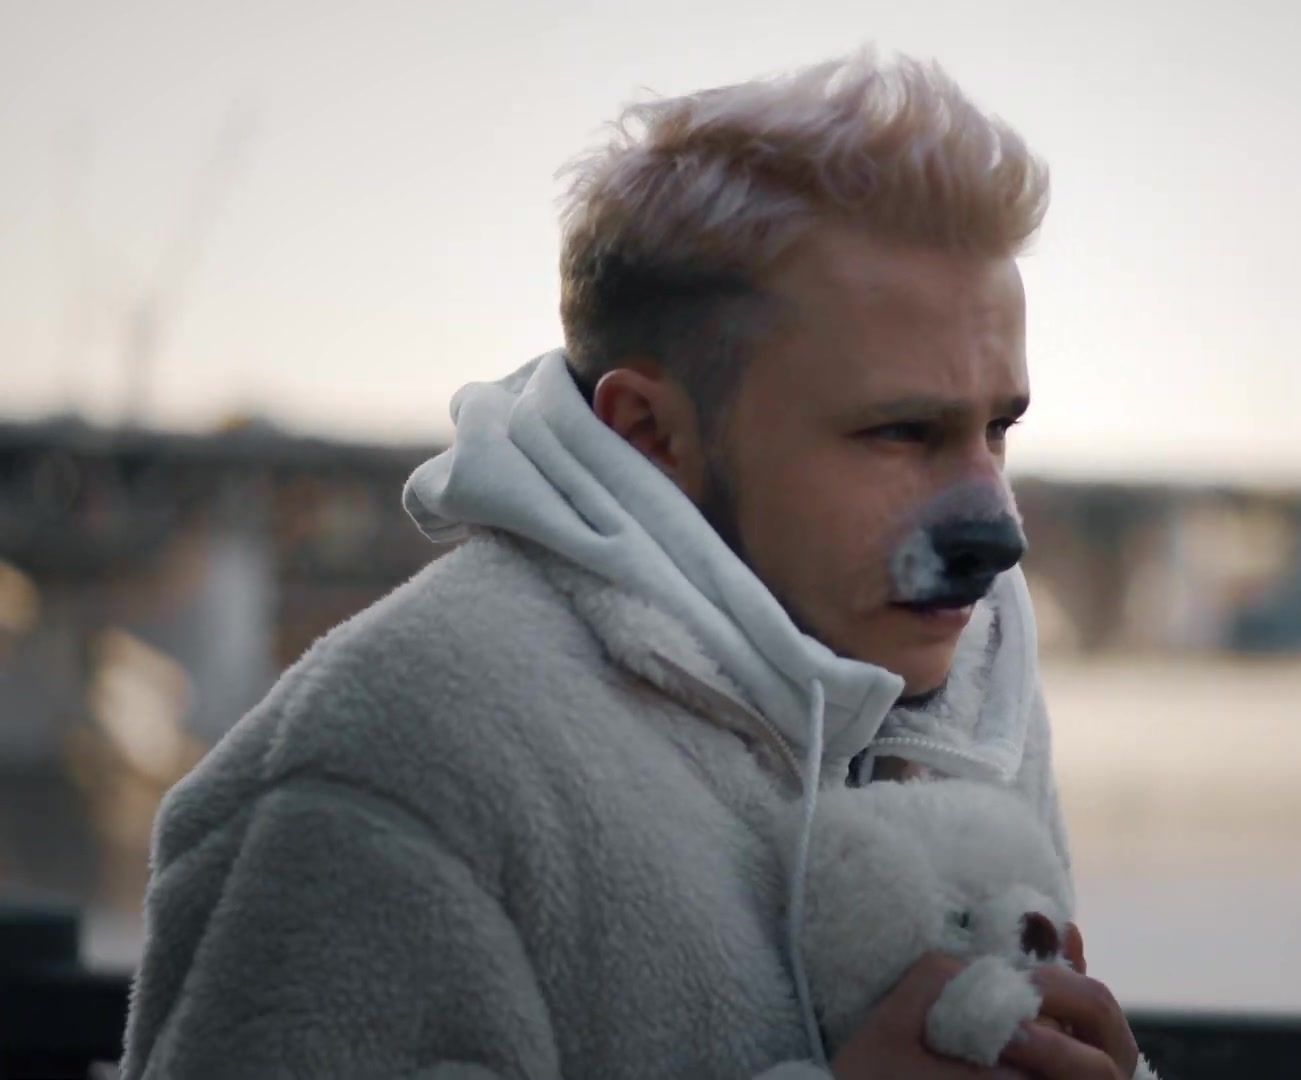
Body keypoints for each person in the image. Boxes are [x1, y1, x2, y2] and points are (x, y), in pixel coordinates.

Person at [120, 49, 1143, 1079]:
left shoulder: (975, 683)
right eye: (901, 432)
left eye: (998, 429)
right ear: (651, 433)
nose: (995, 527)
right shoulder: (400, 750)